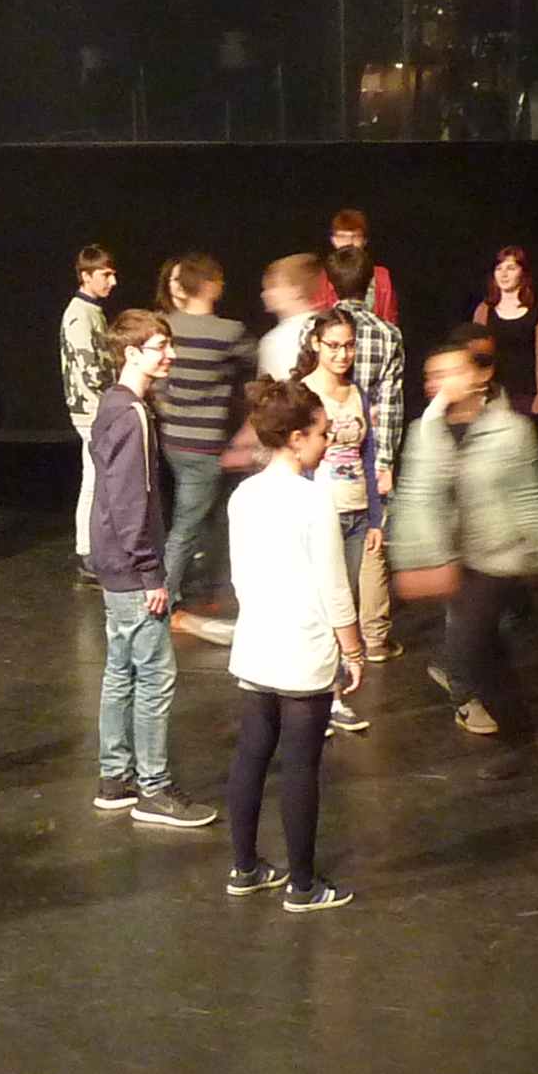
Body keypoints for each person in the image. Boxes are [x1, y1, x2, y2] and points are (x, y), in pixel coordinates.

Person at [222, 378, 363, 913]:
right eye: (323, 433)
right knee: (301, 766)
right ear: (297, 437)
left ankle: (245, 867)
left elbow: (240, 576)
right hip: (303, 648)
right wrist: (353, 650)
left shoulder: (244, 496)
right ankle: (302, 885)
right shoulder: (312, 499)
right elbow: (333, 584)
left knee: (251, 754)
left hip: (257, 643)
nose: (329, 441)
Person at [388, 337, 538, 737]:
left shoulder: (511, 430)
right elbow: (415, 495)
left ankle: (511, 727)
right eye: (434, 376)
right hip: (449, 561)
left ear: (477, 377)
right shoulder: (424, 432)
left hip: (495, 558)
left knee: (475, 646)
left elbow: (529, 493)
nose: (442, 382)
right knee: (483, 648)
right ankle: (512, 729)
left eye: (453, 371)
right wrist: (411, 558)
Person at [87, 310, 212, 831]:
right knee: (155, 675)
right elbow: (129, 500)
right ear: (132, 353)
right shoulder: (131, 414)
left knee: (121, 669)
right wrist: (150, 572)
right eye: (161, 346)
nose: (171, 354)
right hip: (130, 566)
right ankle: (154, 789)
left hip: (114, 561)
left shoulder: (115, 405)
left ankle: (115, 778)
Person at [299, 308, 385, 739]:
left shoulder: (357, 393)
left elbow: (369, 455)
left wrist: (376, 516)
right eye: (333, 345)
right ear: (316, 344)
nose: (342, 354)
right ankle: (317, 697)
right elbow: (296, 456)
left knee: (343, 603)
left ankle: (331, 698)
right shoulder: (304, 394)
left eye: (349, 346)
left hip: (355, 511)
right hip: (321, 511)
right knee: (320, 604)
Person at [321, 247, 407, 659]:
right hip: (366, 451)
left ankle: (333, 634)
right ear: (371, 283)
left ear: (330, 283)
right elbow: (390, 406)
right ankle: (373, 637)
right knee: (373, 543)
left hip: (324, 452)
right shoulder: (388, 334)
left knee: (327, 546)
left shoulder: (317, 330)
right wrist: (385, 461)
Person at [157, 254, 250, 631]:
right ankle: (163, 599)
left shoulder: (166, 327)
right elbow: (259, 367)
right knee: (188, 524)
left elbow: (159, 387)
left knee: (205, 516)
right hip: (205, 445)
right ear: (212, 285)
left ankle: (206, 584)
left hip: (173, 441)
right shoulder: (228, 332)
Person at [61, 244, 116, 575]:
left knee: (97, 478)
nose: (112, 281)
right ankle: (89, 551)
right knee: (96, 480)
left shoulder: (92, 311)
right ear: (86, 275)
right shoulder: (79, 314)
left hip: (96, 408)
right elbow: (90, 368)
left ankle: (91, 548)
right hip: (91, 410)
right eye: (105, 274)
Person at [473, 247, 538, 423]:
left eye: (511, 268)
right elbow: (475, 355)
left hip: (527, 397)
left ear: (523, 272)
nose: (503, 274)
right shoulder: (484, 310)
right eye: (499, 268)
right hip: (493, 397)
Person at [250, 252, 328, 383]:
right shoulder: (330, 327)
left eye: (272, 286)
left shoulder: (275, 341)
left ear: (296, 290)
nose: (265, 294)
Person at [327, 209, 398, 325]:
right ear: (333, 240)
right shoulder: (322, 275)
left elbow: (390, 316)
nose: (349, 242)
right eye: (342, 236)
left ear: (365, 240)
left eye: (355, 236)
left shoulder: (381, 276)